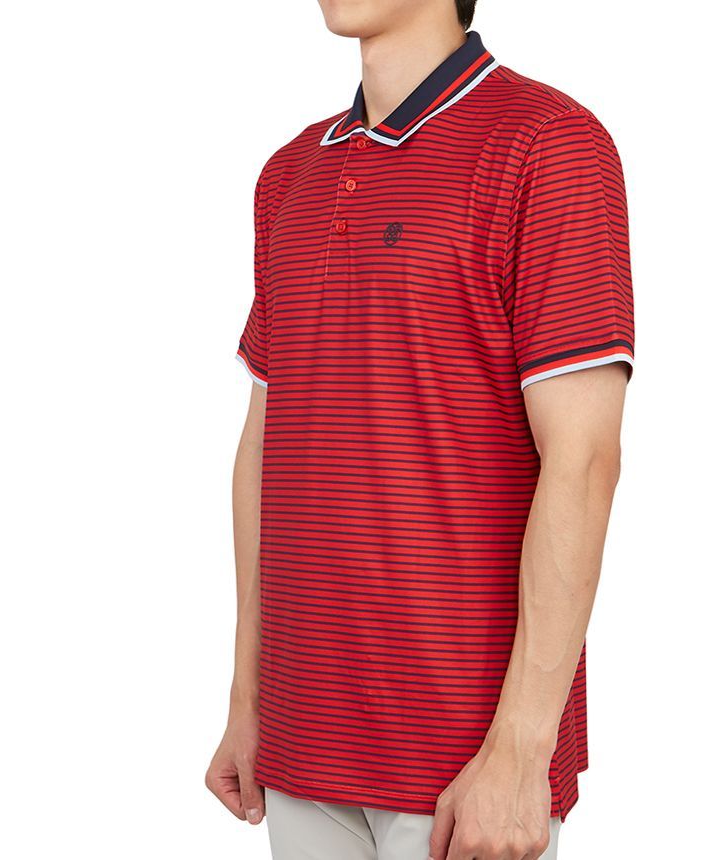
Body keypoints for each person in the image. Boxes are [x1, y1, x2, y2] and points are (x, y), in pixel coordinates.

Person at [206, 1, 635, 857]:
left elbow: (583, 460)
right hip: (301, 742)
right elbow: (266, 442)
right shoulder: (288, 175)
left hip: (462, 764)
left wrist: (521, 751)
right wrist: (246, 699)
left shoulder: (548, 144)